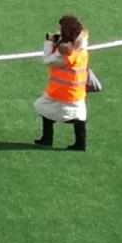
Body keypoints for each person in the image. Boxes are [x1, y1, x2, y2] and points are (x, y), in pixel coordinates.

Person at [33, 15, 93, 151]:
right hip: (77, 93)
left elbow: (48, 60)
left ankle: (47, 138)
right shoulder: (81, 47)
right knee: (78, 117)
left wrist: (49, 43)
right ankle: (80, 143)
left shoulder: (64, 57)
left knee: (43, 108)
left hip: (60, 92)